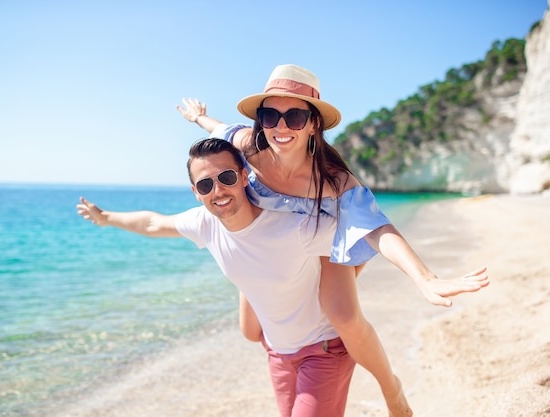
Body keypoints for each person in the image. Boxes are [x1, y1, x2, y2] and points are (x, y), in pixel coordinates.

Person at [176, 64, 490, 417]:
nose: (280, 126)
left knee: (341, 314)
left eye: (294, 116)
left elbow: (378, 228)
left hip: (325, 234)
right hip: (275, 244)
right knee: (250, 331)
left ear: (313, 124)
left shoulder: (334, 181)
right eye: (270, 115)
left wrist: (425, 278)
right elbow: (221, 129)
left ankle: (392, 390)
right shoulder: (247, 147)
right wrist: (199, 118)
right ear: (260, 120)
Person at [77, 138, 358, 417]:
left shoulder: (294, 227)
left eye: (226, 177)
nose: (218, 190)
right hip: (278, 353)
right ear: (196, 192)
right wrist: (105, 218)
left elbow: (360, 240)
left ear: (244, 176)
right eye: (205, 184)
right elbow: (152, 223)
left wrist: (339, 293)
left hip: (324, 350)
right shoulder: (205, 223)